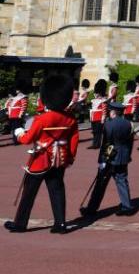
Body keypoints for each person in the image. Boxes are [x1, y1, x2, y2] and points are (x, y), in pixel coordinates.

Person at [5, 74, 79, 234]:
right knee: (57, 190)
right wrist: (71, 157)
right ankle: (60, 224)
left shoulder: (42, 119)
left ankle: (20, 223)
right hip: (60, 160)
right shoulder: (70, 119)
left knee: (29, 193)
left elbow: (27, 139)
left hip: (40, 160)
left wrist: (18, 133)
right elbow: (74, 139)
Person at [80, 101, 135, 217]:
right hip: (123, 156)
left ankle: (91, 209)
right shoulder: (129, 124)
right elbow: (130, 143)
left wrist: (103, 160)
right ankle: (127, 206)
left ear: (113, 112)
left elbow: (107, 143)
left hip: (111, 157)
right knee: (122, 181)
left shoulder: (109, 125)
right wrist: (128, 156)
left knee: (100, 183)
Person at [89, 80, 109, 150]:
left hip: (99, 117)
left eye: (97, 92)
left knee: (98, 132)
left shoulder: (103, 100)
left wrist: (103, 118)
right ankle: (94, 144)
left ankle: (97, 144)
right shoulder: (95, 100)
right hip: (93, 117)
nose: (95, 94)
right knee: (94, 132)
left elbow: (104, 110)